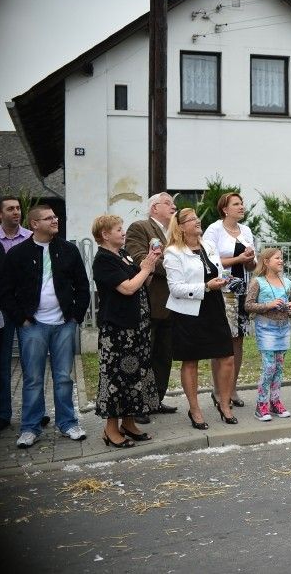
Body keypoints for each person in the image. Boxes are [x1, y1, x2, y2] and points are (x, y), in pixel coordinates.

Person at [0, 205, 90, 449]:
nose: (55, 220)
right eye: (48, 218)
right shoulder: (18, 254)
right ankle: (30, 428)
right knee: (32, 378)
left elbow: (83, 285)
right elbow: (5, 292)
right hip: (32, 325)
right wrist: (22, 319)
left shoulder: (68, 250)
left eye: (55, 217)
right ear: (34, 224)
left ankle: (68, 423)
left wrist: (75, 317)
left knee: (63, 377)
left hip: (64, 324)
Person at [91, 215, 161, 448]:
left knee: (134, 377)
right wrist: (146, 268)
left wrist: (149, 265)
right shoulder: (103, 260)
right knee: (117, 378)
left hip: (137, 329)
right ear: (105, 234)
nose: (123, 233)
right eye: (119, 229)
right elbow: (129, 288)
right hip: (119, 332)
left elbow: (143, 283)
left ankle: (128, 424)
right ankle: (110, 429)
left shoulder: (122, 254)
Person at [163, 208, 237, 429]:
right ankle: (194, 409)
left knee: (227, 357)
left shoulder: (209, 245)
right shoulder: (173, 252)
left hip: (214, 307)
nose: (197, 221)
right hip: (188, 313)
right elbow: (175, 288)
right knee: (191, 361)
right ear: (181, 226)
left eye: (197, 218)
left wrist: (225, 280)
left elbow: (217, 272)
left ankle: (224, 404)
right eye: (191, 219)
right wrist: (205, 286)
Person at [124, 192, 179, 421]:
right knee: (144, 354)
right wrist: (177, 269)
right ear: (154, 208)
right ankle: (138, 405)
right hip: (151, 302)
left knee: (164, 355)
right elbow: (140, 258)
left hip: (174, 304)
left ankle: (156, 398)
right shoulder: (140, 227)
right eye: (168, 203)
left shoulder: (176, 233)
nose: (173, 206)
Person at [203, 192, 256, 409]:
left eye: (242, 203)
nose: (241, 207)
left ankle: (232, 388)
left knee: (238, 340)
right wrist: (238, 258)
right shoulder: (214, 229)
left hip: (242, 290)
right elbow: (209, 260)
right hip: (222, 292)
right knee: (222, 341)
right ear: (225, 209)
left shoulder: (246, 230)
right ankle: (218, 390)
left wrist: (251, 260)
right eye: (236, 204)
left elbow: (252, 265)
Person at [244, 248, 291, 421]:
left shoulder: (287, 282)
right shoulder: (258, 282)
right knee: (269, 367)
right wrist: (268, 305)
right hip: (266, 329)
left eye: (282, 258)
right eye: (277, 258)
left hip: (284, 328)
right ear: (266, 261)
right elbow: (248, 305)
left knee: (279, 368)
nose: (281, 261)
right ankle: (261, 405)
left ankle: (275, 401)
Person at [0, 195, 32, 432]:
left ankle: (34, 413)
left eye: (18, 208)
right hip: (3, 310)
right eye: (10, 209)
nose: (16, 212)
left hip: (28, 311)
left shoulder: (31, 238)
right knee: (3, 365)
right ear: (0, 214)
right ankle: (3, 414)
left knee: (32, 364)